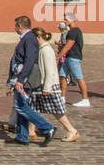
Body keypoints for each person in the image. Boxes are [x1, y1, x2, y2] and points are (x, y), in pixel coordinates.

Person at [8, 16, 55, 145]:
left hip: (26, 77)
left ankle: (47, 127)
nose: (15, 28)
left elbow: (29, 60)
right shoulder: (27, 38)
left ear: (20, 26)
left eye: (16, 26)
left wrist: (21, 79)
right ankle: (22, 136)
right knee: (21, 106)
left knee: (21, 106)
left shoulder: (29, 39)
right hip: (23, 76)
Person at [31, 28, 79, 141]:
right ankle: (31, 131)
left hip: (49, 85)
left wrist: (47, 87)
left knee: (56, 110)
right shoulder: (42, 49)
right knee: (32, 107)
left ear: (38, 38)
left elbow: (50, 70)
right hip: (42, 84)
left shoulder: (46, 50)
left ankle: (72, 130)